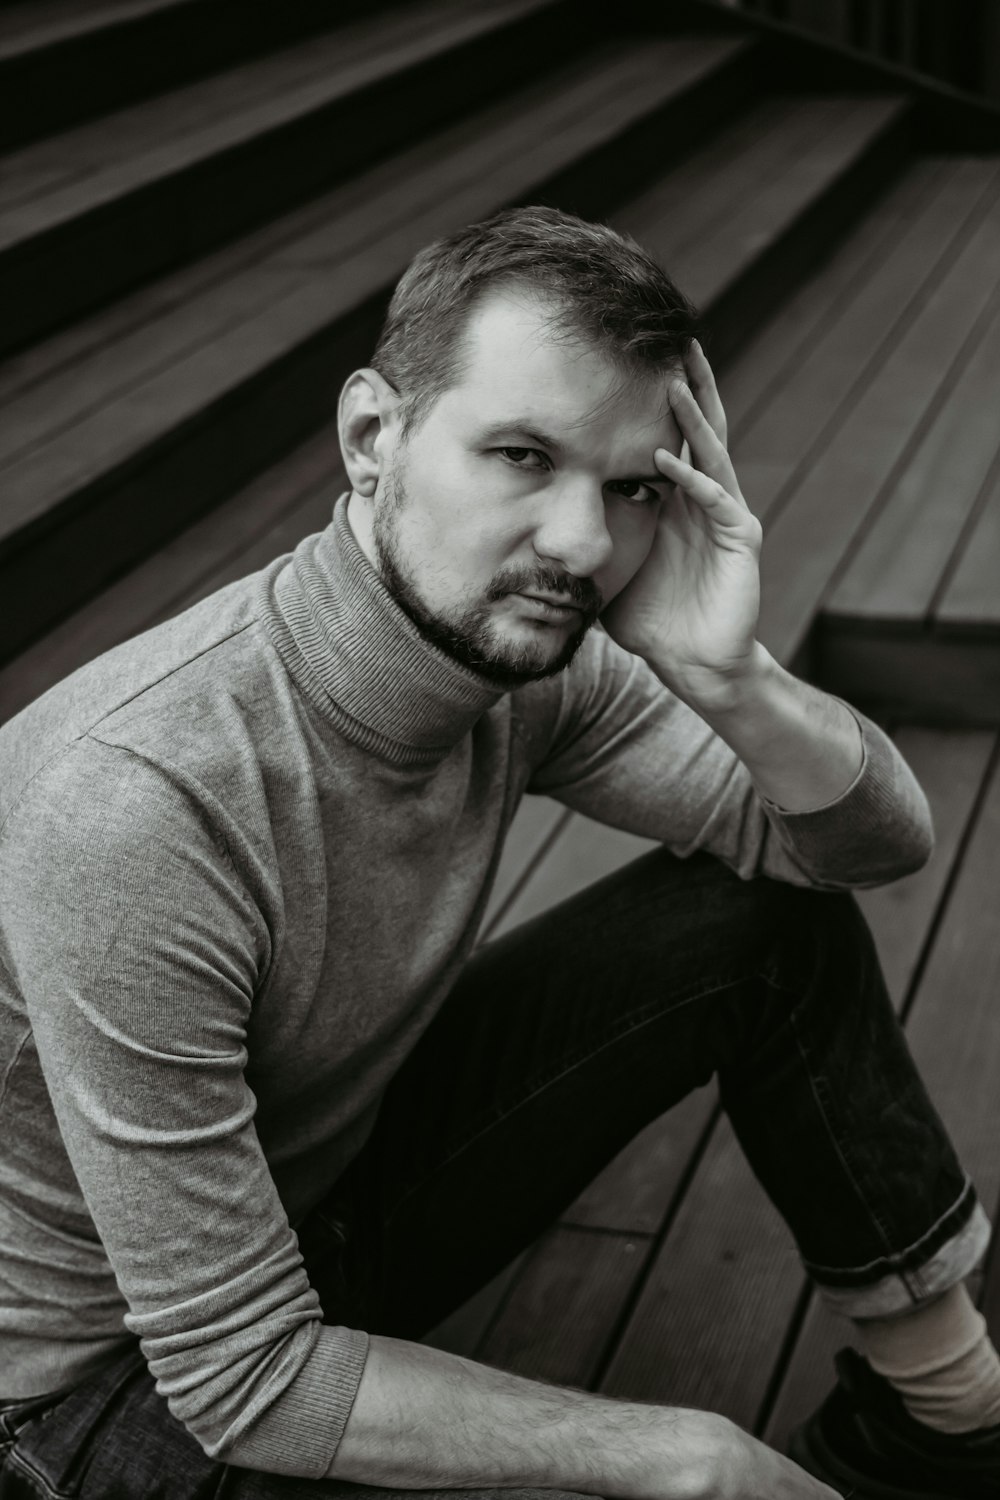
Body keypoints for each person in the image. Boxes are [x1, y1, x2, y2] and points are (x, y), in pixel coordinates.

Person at [0, 205, 997, 1500]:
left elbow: (861, 849)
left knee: (761, 927)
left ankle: (953, 1418)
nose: (583, 543)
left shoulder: (525, 658)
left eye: (630, 484)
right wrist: (685, 1458)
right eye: (523, 455)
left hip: (303, 1218)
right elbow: (241, 1376)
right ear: (374, 437)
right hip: (85, 1387)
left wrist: (729, 675)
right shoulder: (137, 805)